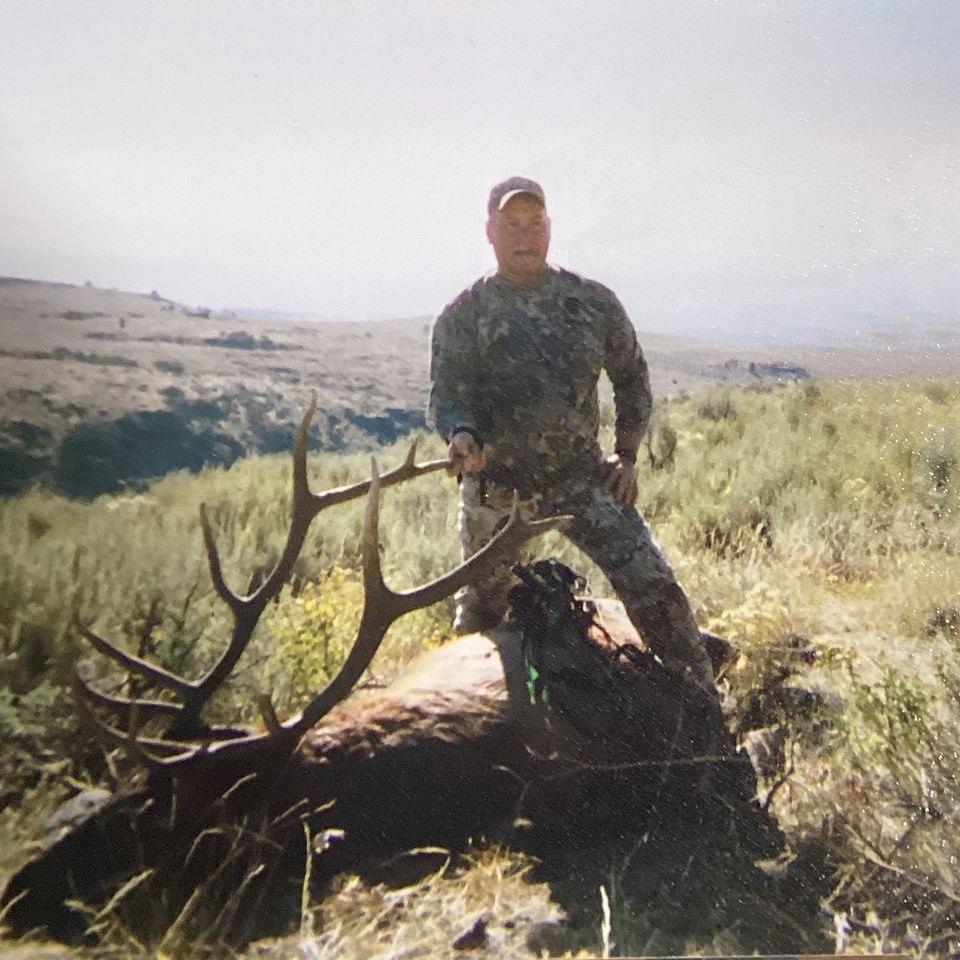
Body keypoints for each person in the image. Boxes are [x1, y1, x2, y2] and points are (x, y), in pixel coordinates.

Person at [428, 176, 715, 696]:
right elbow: (448, 394)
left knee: (657, 592)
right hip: (498, 492)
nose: (524, 236)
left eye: (534, 223)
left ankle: (704, 715)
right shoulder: (463, 316)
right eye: (511, 225)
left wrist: (625, 458)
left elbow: (631, 378)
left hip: (583, 483)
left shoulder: (592, 303)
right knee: (478, 619)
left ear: (550, 227)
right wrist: (462, 433)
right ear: (489, 232)